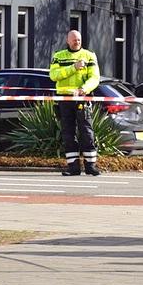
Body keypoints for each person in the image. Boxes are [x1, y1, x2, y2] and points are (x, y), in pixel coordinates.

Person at [49, 29, 101, 176]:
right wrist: (73, 68)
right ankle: (73, 167)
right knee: (68, 133)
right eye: (73, 40)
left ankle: (91, 166)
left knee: (86, 132)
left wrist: (84, 89)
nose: (76, 42)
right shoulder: (58, 56)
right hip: (64, 100)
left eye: (78, 39)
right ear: (67, 40)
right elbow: (54, 75)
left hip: (82, 99)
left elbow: (95, 78)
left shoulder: (89, 56)